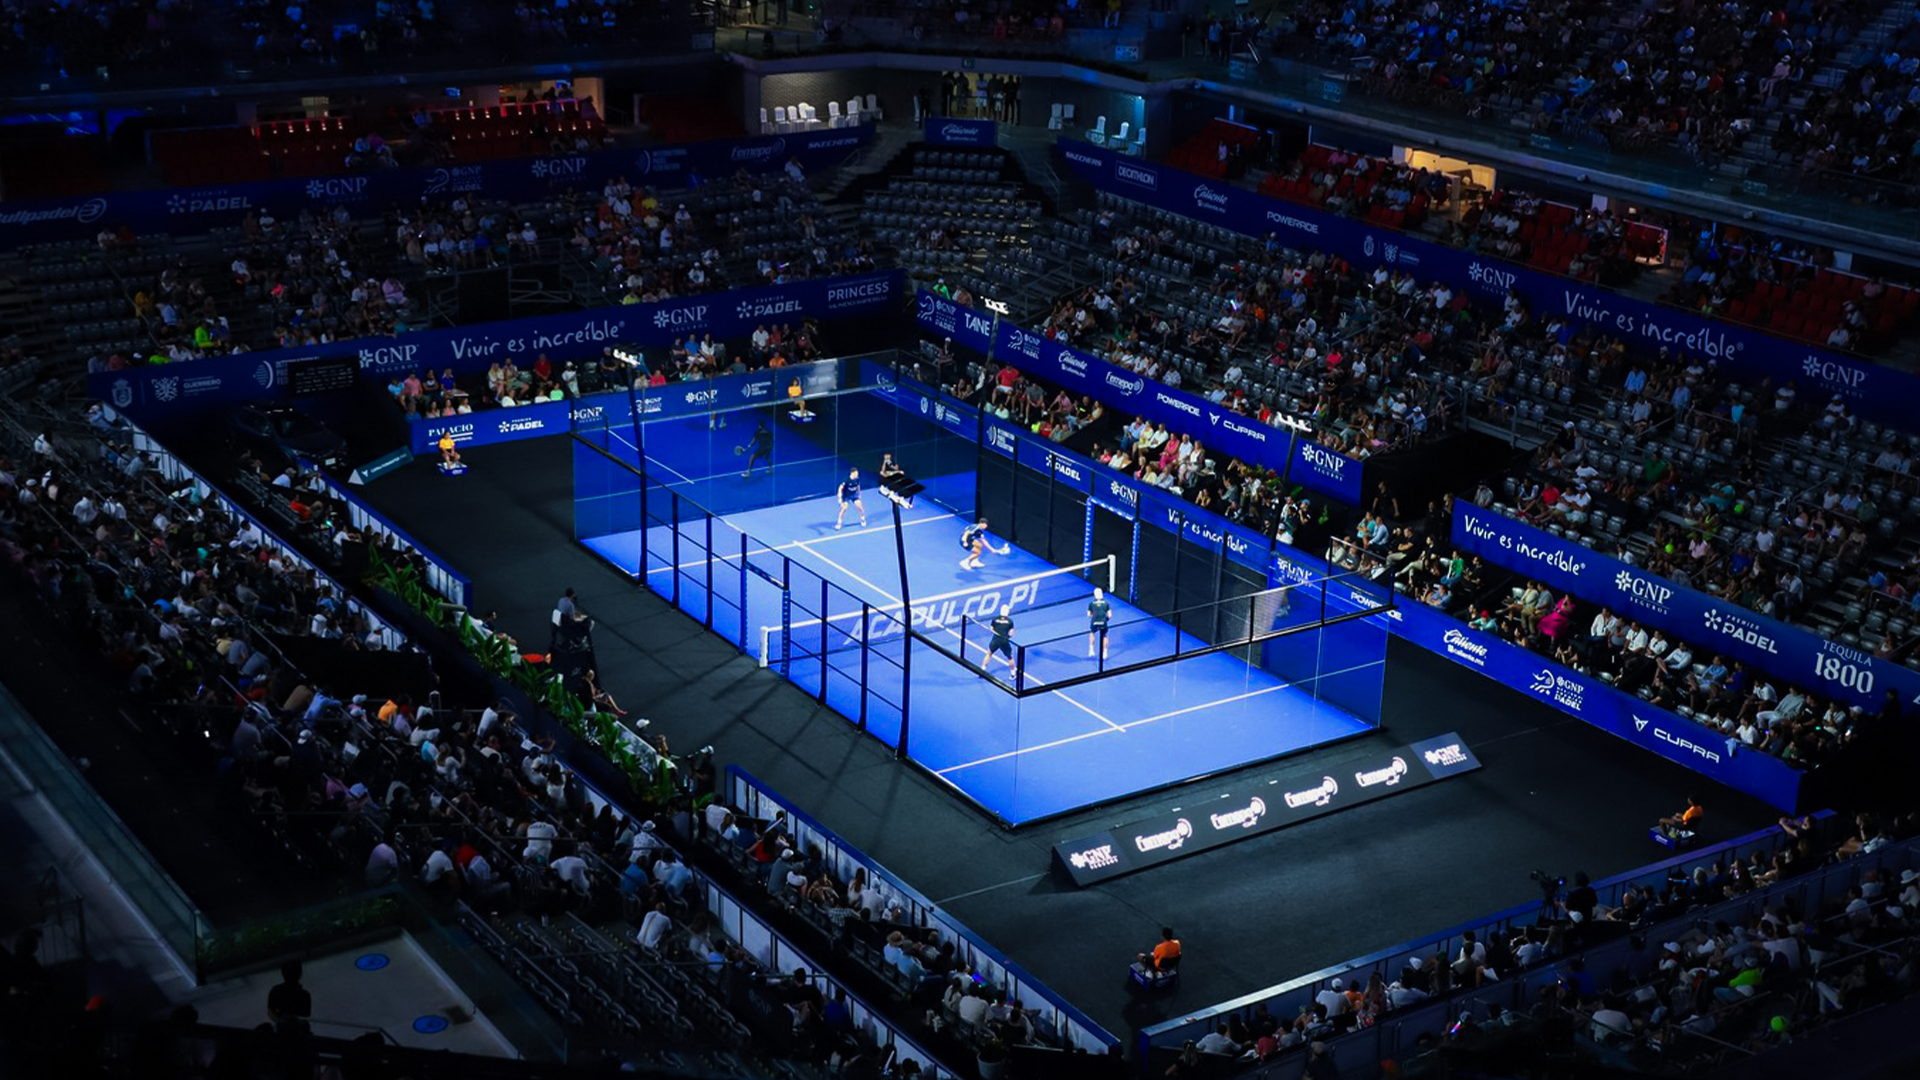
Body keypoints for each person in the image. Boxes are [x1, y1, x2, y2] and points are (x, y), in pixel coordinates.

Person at [266, 960, 312, 1033]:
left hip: (283, 1030)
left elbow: (270, 1011)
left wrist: (279, 1020)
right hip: (299, 1032)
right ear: (300, 974)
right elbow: (306, 1015)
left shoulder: (275, 990)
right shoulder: (305, 994)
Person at [987, 606, 1016, 674]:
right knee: (1010, 657)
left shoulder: (995, 619)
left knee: (988, 654)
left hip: (995, 640)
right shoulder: (1010, 621)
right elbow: (1011, 633)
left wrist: (997, 634)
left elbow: (991, 629)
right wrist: (1007, 637)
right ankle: (1013, 673)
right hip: (1004, 641)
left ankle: (982, 669)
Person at [1087, 587, 1112, 660]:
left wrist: (1094, 617)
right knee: (1105, 636)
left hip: (1094, 622)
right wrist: (1105, 620)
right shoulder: (1106, 603)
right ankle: (1105, 653)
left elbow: (1089, 615)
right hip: (1103, 623)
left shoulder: (1091, 604)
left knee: (1092, 633)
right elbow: (1110, 615)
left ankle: (1091, 650)